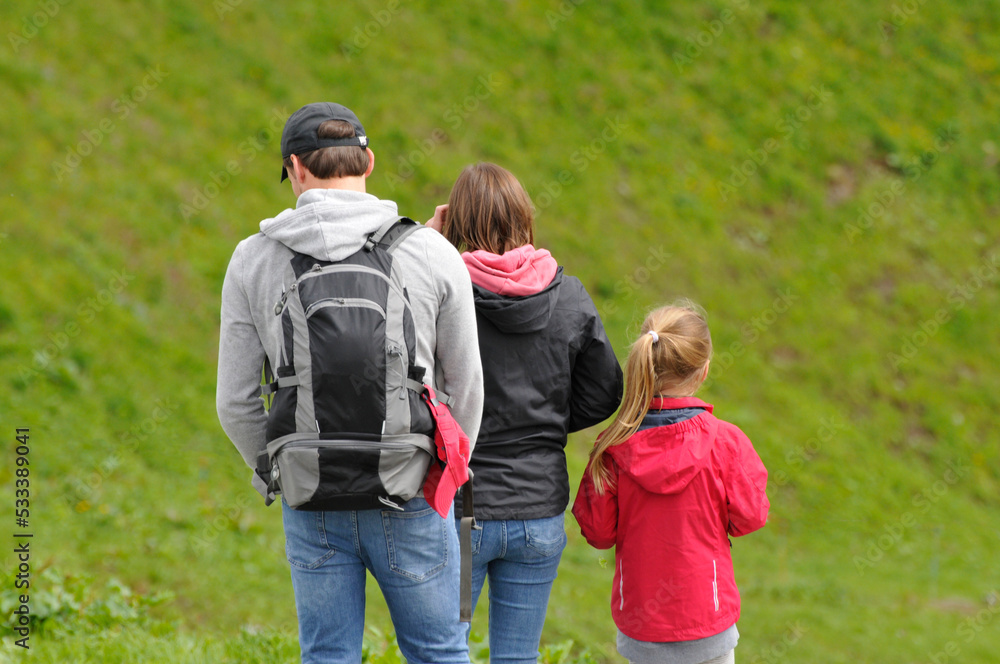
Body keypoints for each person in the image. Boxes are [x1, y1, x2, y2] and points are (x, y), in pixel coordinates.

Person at [216, 102, 484, 664]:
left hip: (310, 493)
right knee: (439, 653)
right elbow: (466, 386)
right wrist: (440, 470)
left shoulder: (252, 260)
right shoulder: (430, 251)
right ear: (368, 160)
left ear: (294, 168)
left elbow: (235, 402)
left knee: (328, 656)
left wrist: (278, 471)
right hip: (411, 487)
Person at [427, 162, 623, 663]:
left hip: (461, 509)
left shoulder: (441, 292)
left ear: (453, 223)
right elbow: (605, 391)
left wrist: (424, 245)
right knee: (519, 658)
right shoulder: (569, 295)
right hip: (538, 512)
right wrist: (549, 418)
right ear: (525, 217)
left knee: (441, 651)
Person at [572, 302, 769, 664]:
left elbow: (598, 531)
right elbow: (750, 517)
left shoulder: (612, 447)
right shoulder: (726, 442)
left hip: (641, 627)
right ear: (703, 369)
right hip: (708, 617)